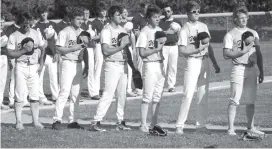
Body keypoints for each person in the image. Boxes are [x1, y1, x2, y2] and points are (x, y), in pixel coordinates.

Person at [175, 1, 220, 135]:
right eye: (194, 11)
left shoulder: (204, 26)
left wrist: (214, 63)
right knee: (188, 95)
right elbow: (182, 50)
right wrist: (197, 50)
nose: (196, 13)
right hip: (193, 62)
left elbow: (209, 46)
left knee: (202, 95)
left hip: (205, 61)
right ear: (188, 13)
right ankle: (179, 125)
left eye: (198, 11)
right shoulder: (185, 29)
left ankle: (201, 125)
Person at [223, 6, 264, 136]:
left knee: (251, 100)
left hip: (252, 69)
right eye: (240, 18)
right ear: (235, 19)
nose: (243, 20)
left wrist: (261, 71)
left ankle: (250, 127)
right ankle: (230, 129)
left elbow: (259, 53)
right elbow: (226, 54)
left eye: (245, 17)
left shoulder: (254, 33)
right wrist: (242, 51)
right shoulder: (230, 34)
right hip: (238, 68)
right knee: (235, 99)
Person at [90, 5, 131, 132]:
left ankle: (120, 121)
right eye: (118, 15)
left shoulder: (123, 29)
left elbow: (126, 48)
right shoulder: (106, 30)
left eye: (121, 14)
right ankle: (96, 121)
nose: (121, 16)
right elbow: (106, 51)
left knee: (122, 95)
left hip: (122, 64)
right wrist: (121, 46)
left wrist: (132, 67)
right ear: (111, 16)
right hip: (112, 64)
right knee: (108, 93)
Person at [7, 12, 46, 130]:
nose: (27, 25)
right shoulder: (14, 35)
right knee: (19, 94)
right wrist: (23, 51)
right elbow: (9, 53)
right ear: (20, 23)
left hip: (33, 66)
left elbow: (43, 47)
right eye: (25, 23)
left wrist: (41, 62)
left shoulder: (36, 33)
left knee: (34, 94)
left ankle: (36, 121)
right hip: (21, 65)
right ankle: (18, 121)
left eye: (29, 23)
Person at [52, 6, 88, 130]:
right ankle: (57, 120)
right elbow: (58, 48)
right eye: (78, 19)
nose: (80, 21)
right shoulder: (65, 31)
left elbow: (85, 49)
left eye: (82, 19)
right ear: (71, 19)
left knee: (76, 94)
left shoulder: (83, 32)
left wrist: (87, 65)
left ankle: (73, 120)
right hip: (67, 62)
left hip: (78, 63)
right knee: (64, 92)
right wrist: (73, 48)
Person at [136, 5, 167, 133]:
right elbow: (142, 53)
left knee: (157, 97)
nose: (157, 19)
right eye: (154, 17)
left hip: (160, 64)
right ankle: (143, 124)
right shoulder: (144, 32)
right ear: (148, 18)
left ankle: (154, 124)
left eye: (158, 17)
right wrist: (156, 49)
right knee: (147, 97)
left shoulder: (159, 30)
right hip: (150, 65)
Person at [34, 5, 58, 105]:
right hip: (42, 55)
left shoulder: (53, 24)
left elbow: (57, 40)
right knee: (40, 77)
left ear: (47, 13)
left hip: (52, 54)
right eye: (41, 12)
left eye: (45, 12)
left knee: (54, 77)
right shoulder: (36, 27)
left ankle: (56, 96)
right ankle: (41, 97)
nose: (43, 14)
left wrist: (57, 52)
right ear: (39, 14)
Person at [6, 7, 30, 108]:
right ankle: (11, 100)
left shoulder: (25, 27)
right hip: (14, 56)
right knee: (13, 78)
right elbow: (9, 45)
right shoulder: (11, 29)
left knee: (25, 79)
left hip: (24, 57)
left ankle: (24, 98)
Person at [159, 2, 182, 92]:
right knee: (162, 67)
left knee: (173, 67)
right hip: (163, 47)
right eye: (165, 11)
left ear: (172, 12)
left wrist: (180, 47)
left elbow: (180, 35)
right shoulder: (160, 22)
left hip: (174, 46)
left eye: (168, 11)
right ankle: (160, 85)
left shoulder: (177, 22)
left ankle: (171, 85)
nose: (167, 13)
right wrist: (167, 32)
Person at [90, 4, 109, 100]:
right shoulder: (94, 23)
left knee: (109, 67)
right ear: (98, 12)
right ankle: (95, 91)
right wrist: (102, 35)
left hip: (108, 45)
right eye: (102, 10)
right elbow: (92, 37)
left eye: (105, 10)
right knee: (97, 68)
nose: (104, 12)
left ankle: (107, 90)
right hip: (98, 45)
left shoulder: (108, 21)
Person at [131, 3, 149, 96]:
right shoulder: (137, 18)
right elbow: (136, 33)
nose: (147, 9)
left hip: (147, 46)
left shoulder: (148, 18)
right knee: (139, 67)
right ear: (142, 8)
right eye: (146, 7)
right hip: (139, 45)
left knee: (146, 66)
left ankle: (146, 86)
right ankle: (139, 87)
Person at [120, 6, 138, 97]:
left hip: (129, 47)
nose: (125, 14)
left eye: (126, 12)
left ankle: (128, 89)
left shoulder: (129, 24)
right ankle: (121, 89)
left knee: (130, 68)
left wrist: (134, 48)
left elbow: (132, 36)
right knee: (121, 69)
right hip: (120, 48)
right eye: (123, 12)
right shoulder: (118, 24)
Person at [81, 7, 96, 102]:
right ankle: (78, 91)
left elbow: (96, 36)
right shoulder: (80, 23)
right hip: (82, 49)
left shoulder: (91, 23)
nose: (86, 15)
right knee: (81, 69)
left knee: (91, 70)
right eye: (84, 13)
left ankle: (93, 92)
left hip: (90, 48)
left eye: (87, 13)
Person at [0, 16, 10, 110]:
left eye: (3, 22)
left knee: (2, 81)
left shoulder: (4, 32)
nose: (1, 24)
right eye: (0, 22)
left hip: (4, 56)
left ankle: (0, 101)